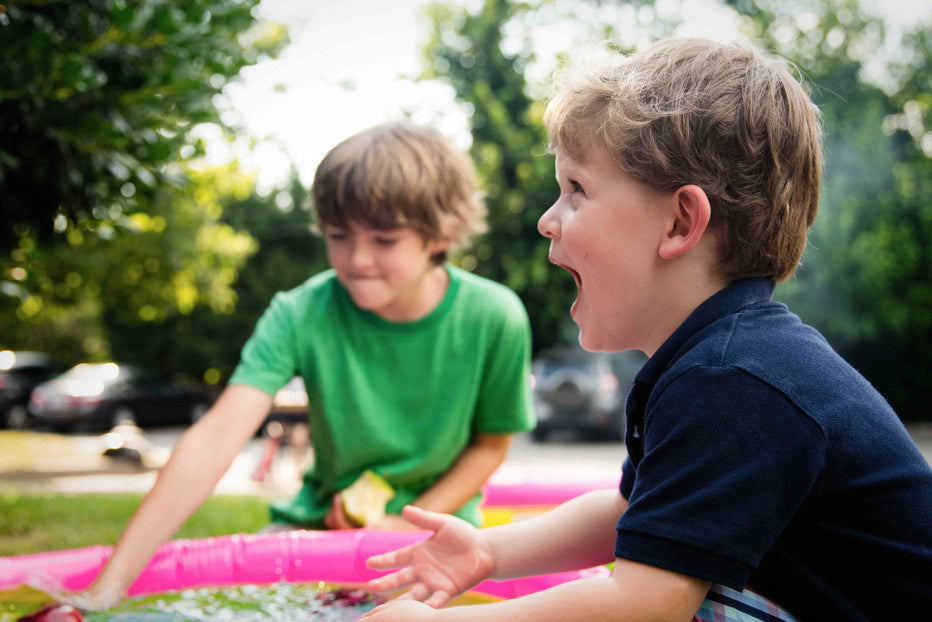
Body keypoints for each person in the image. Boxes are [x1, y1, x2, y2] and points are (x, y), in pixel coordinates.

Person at [358, 38, 932, 622]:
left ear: (681, 221)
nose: (546, 220)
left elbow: (644, 606)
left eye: (576, 190)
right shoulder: (716, 361)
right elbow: (628, 512)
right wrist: (488, 550)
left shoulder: (736, 381)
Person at [84, 121, 536, 607]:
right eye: (339, 236)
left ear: (440, 235)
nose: (357, 259)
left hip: (439, 535)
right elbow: (216, 438)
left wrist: (405, 522)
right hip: (316, 528)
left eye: (384, 240)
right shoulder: (299, 312)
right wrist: (109, 586)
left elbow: (490, 446)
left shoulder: (495, 316)